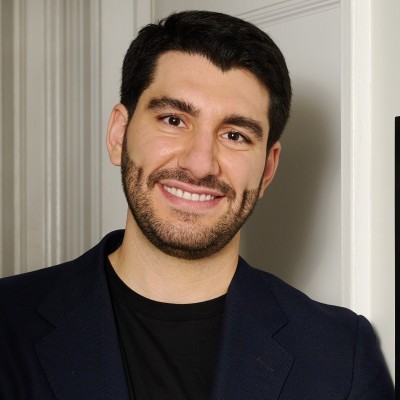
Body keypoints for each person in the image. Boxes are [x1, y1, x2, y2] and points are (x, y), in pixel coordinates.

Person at [0, 10, 394, 400]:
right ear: (119, 135)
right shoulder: (7, 320)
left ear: (267, 169)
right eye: (173, 120)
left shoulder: (342, 356)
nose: (200, 163)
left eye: (235, 135)